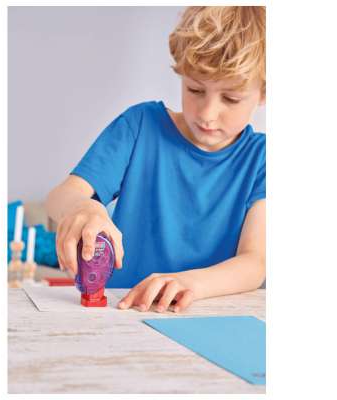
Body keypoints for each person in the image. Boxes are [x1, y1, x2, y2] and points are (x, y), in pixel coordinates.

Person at [46, 6, 266, 313]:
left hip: (207, 317)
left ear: (264, 92)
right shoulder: (140, 126)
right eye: (195, 89)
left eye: (230, 98)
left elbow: (255, 263)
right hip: (121, 313)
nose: (207, 113)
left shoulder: (263, 158)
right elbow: (59, 197)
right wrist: (83, 206)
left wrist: (189, 283)